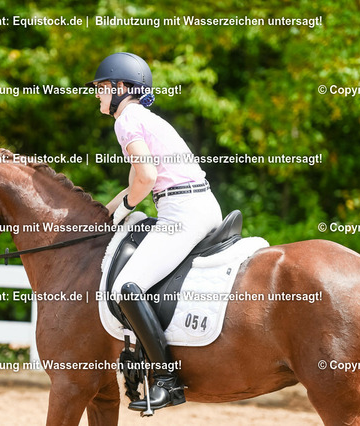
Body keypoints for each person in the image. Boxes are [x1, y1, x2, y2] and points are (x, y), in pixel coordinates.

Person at [87, 52, 223, 412]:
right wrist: (106, 214)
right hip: (200, 204)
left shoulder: (126, 121)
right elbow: (136, 180)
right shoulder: (144, 118)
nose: (97, 94)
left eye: (101, 87)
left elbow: (146, 179)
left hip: (182, 211)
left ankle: (167, 380)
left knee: (125, 286)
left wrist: (126, 208)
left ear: (121, 87)